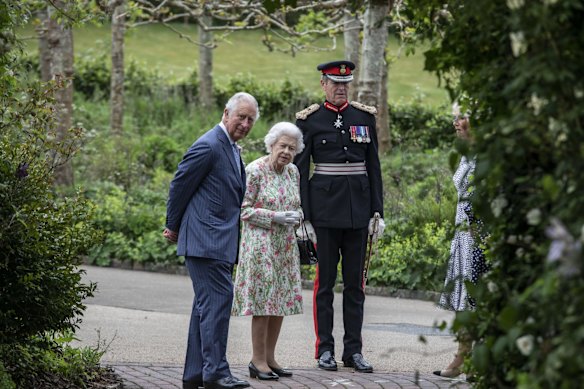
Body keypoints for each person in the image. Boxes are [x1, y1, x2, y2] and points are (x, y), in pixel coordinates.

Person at [293, 60, 385, 373]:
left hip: (358, 212)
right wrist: (304, 216)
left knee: (356, 286)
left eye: (345, 83)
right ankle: (325, 350)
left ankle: (353, 351)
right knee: (325, 285)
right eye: (334, 82)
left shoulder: (364, 117)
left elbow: (374, 168)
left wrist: (377, 211)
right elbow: (301, 170)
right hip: (324, 214)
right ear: (323, 84)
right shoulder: (310, 120)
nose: (340, 87)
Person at [163, 92, 259, 389]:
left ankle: (196, 374)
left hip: (218, 240)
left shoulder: (230, 147)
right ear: (225, 113)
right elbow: (180, 184)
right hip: (205, 241)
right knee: (218, 302)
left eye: (250, 120)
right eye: (240, 116)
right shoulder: (208, 145)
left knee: (205, 307)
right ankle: (216, 373)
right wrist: (172, 226)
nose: (244, 123)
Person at [231, 122, 305, 381]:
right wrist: (274, 216)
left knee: (280, 302)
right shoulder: (255, 170)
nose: (286, 151)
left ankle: (271, 358)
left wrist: (296, 216)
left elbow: (296, 204)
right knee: (263, 302)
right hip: (260, 246)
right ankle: (257, 360)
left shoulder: (293, 172)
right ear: (271, 144)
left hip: (284, 247)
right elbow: (243, 210)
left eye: (292, 148)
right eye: (282, 146)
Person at [433, 110, 488, 378]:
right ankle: (464, 357)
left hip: (480, 236)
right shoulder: (468, 152)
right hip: (464, 234)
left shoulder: (487, 156)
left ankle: (473, 358)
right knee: (464, 300)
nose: (456, 122)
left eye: (462, 116)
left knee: (475, 298)